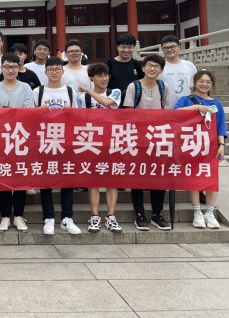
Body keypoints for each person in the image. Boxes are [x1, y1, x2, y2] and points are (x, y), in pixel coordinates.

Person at [122, 54, 173, 231]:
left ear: (161, 70)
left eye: (156, 66)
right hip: (138, 136)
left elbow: (164, 111)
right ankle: (139, 213)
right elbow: (128, 112)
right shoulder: (134, 86)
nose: (152, 69)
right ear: (143, 68)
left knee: (159, 175)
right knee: (138, 175)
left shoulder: (163, 86)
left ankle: (157, 213)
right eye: (149, 65)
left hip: (158, 137)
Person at [33, 56, 82, 235]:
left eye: (57, 69)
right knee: (46, 181)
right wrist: (38, 112)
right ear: (45, 72)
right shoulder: (37, 92)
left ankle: (67, 217)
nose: (54, 72)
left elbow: (79, 118)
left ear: (63, 71)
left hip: (65, 141)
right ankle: (48, 218)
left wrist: (70, 113)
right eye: (51, 69)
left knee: (67, 180)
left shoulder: (70, 92)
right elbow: (28, 118)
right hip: (44, 141)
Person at [0, 53, 34, 233]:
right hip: (1, 139)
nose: (10, 70)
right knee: (4, 177)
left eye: (14, 67)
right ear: (1, 68)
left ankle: (19, 216)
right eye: (7, 67)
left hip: (21, 138)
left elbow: (28, 112)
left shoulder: (26, 88)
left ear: (18, 68)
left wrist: (7, 113)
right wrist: (11, 113)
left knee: (20, 177)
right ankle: (5, 216)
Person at [174, 69, 226, 229]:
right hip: (191, 145)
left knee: (211, 178)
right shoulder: (186, 99)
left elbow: (220, 126)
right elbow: (174, 113)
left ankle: (209, 213)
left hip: (211, 146)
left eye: (208, 82)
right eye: (201, 81)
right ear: (195, 83)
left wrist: (222, 145)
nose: (204, 84)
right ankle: (197, 212)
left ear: (212, 84)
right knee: (193, 178)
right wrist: (195, 107)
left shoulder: (216, 104)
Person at [77, 63, 123, 233]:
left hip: (112, 140)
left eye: (106, 75)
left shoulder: (115, 92)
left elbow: (106, 102)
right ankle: (95, 216)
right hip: (92, 141)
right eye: (99, 76)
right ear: (91, 78)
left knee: (112, 180)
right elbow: (80, 119)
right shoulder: (83, 98)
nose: (104, 79)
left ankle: (111, 216)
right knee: (93, 179)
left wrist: (88, 91)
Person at [160, 35, 197, 109]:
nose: (169, 50)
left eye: (172, 47)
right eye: (166, 48)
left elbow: (193, 88)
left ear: (179, 47)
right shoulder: (159, 66)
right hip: (166, 109)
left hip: (186, 108)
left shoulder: (189, 65)